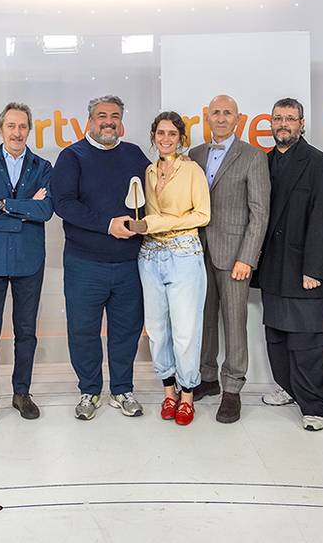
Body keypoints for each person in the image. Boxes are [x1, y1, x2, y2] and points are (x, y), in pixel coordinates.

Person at [51, 95, 150, 420]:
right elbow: (63, 204)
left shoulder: (134, 154)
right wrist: (108, 225)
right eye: (102, 115)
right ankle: (89, 391)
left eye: (115, 116)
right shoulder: (72, 156)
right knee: (83, 330)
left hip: (128, 263)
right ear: (89, 120)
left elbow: (152, 198)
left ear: (121, 120)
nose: (108, 121)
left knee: (126, 330)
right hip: (84, 264)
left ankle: (122, 390)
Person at [0, 103, 53, 432]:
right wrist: (23, 213)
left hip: (29, 262)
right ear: (0, 129)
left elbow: (45, 211)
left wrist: (3, 205)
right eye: (11, 126)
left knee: (26, 333)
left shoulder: (42, 166)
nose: (17, 133)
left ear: (29, 130)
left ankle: (21, 394)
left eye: (23, 127)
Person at [253, 98, 323, 431]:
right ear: (270, 124)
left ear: (302, 123)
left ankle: (315, 405)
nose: (283, 124)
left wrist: (314, 269)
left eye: (290, 118)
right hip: (272, 266)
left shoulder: (319, 164)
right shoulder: (263, 161)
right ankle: (288, 389)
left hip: (305, 269)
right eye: (277, 118)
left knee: (308, 340)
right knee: (276, 336)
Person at [188, 95, 270, 424]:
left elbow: (260, 213)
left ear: (238, 118)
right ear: (207, 117)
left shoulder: (253, 156)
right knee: (203, 319)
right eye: (215, 112)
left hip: (235, 255)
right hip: (195, 253)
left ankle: (232, 390)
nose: (221, 118)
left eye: (227, 113)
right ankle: (207, 378)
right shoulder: (195, 155)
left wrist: (247, 258)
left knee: (234, 323)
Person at [128, 112, 211, 426]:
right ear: (153, 136)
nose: (165, 139)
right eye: (160, 133)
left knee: (186, 331)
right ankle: (168, 391)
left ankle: (187, 394)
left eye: (172, 134)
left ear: (181, 138)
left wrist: (155, 223)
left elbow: (202, 214)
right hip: (149, 255)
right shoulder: (148, 172)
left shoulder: (192, 170)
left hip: (184, 253)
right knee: (157, 330)